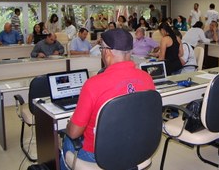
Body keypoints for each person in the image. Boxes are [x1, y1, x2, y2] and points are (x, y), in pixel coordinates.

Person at [60, 29, 155, 169]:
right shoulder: (147, 78)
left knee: (67, 139)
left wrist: (68, 125)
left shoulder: (93, 84)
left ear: (106, 52)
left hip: (98, 154)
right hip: (137, 147)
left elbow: (74, 133)